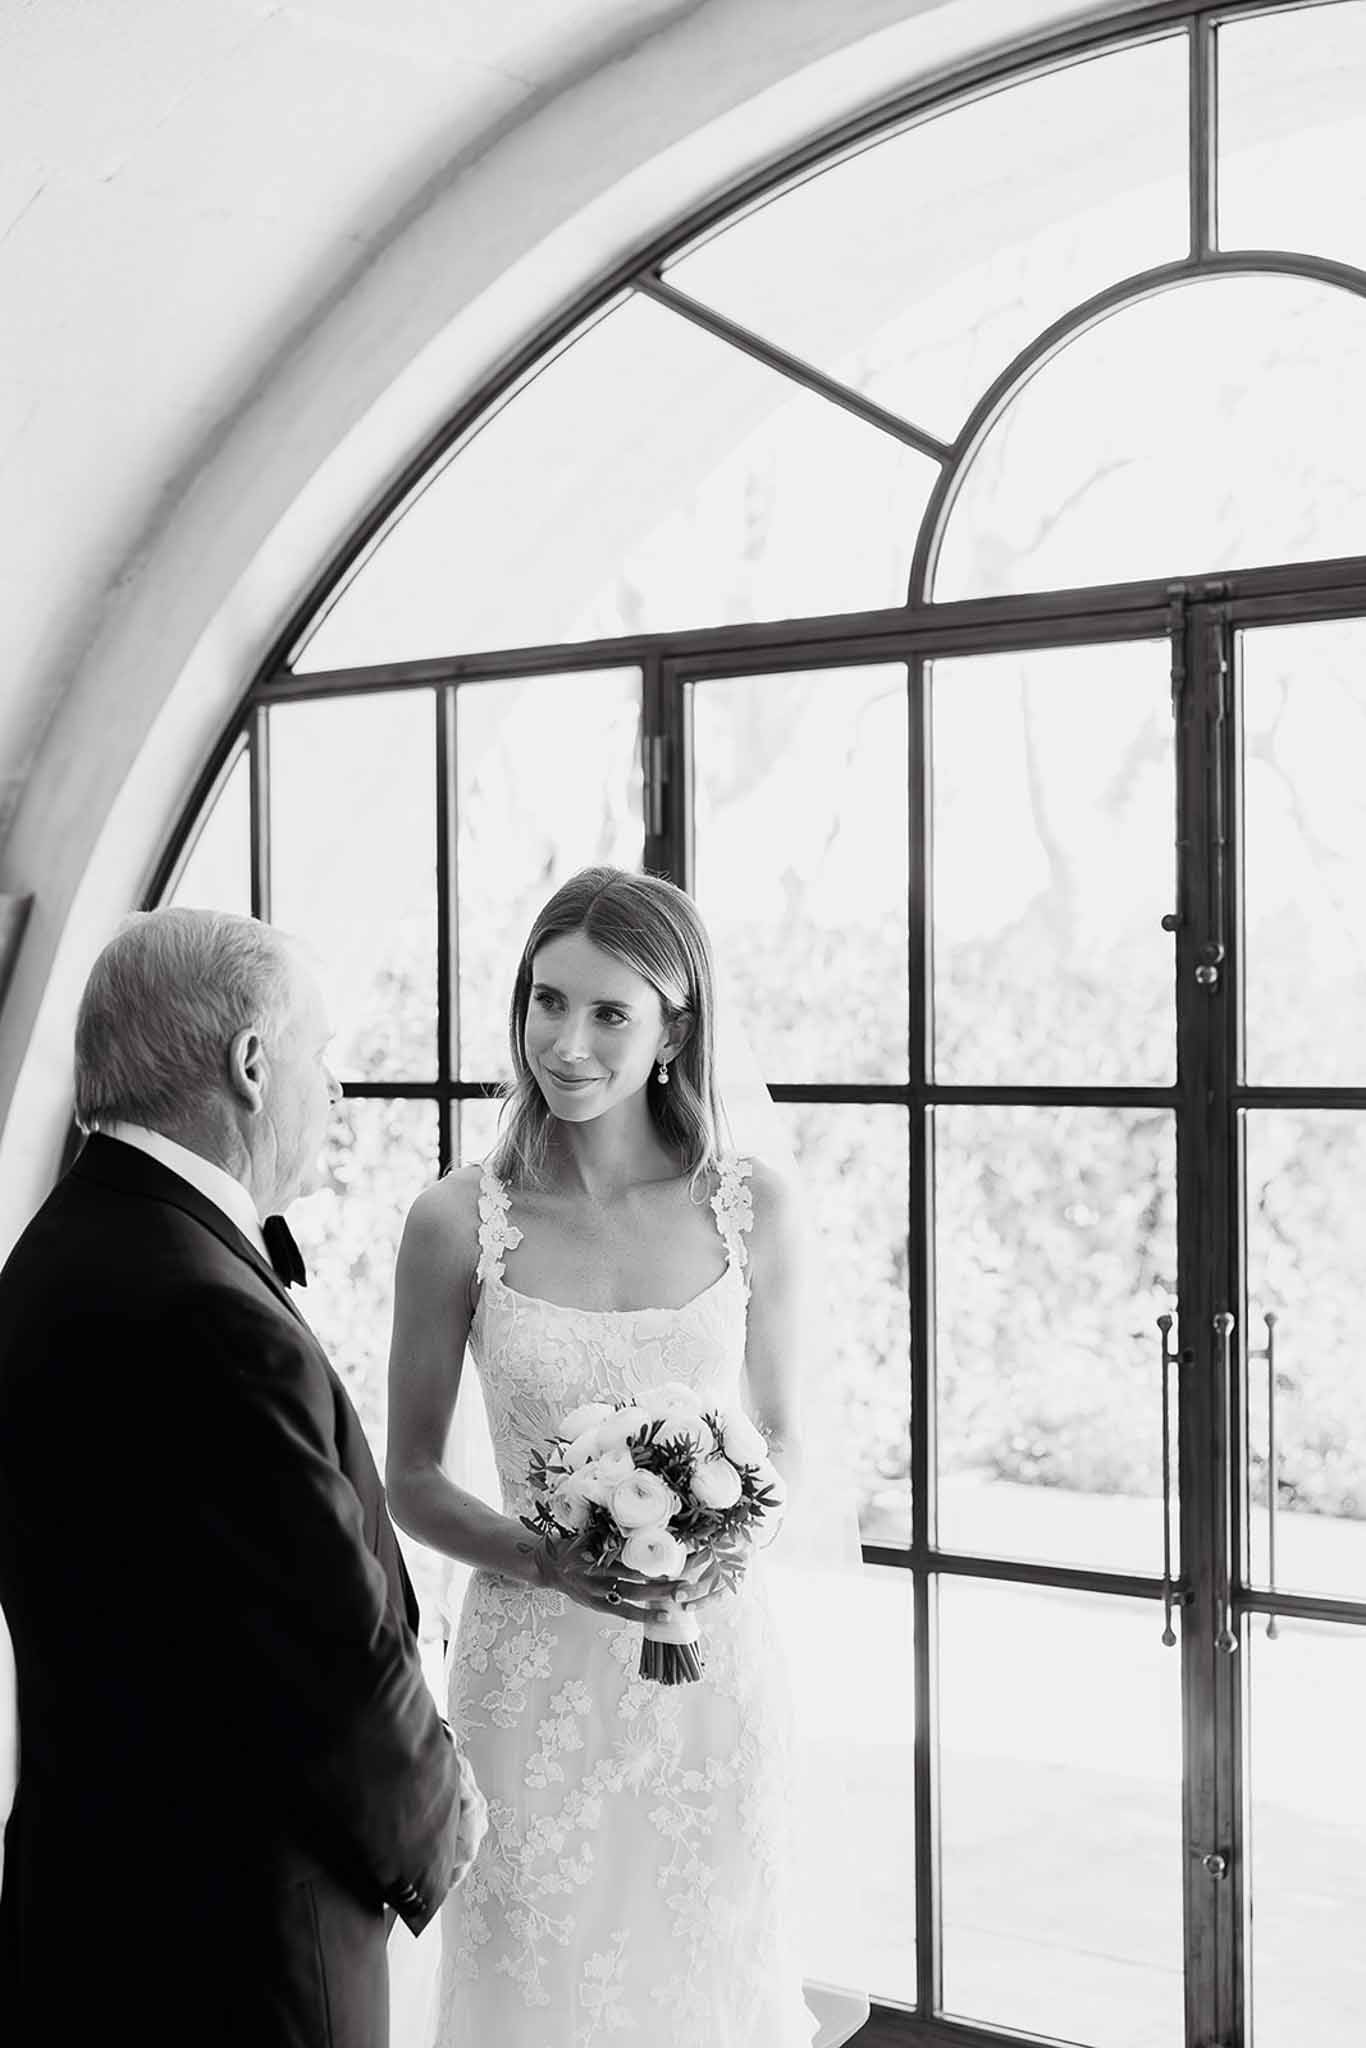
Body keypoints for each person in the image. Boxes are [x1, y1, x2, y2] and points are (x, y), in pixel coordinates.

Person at [0, 907, 485, 2048]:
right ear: (252, 1065)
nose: (337, 1091)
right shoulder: (207, 1309)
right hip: (237, 1943)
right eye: (322, 1056)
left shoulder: (57, 1248)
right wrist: (440, 1818)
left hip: (85, 1901)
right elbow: (326, 1642)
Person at [386, 866, 819, 2046]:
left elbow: (785, 1435)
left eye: (609, 1011)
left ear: (674, 1030)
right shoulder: (455, 1219)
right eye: (546, 1000)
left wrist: (720, 1543)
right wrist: (548, 1559)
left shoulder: (751, 1207)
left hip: (711, 1670)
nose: (565, 1042)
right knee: (534, 1983)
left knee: (705, 1979)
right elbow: (408, 1477)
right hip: (526, 1682)